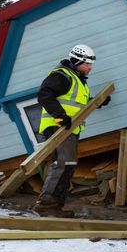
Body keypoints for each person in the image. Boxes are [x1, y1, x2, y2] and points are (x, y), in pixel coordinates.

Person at [33, 44, 110, 217]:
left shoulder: (77, 80)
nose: (89, 68)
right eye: (86, 64)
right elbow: (45, 95)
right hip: (58, 126)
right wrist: (60, 117)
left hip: (69, 128)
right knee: (63, 163)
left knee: (68, 164)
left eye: (90, 64)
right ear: (76, 62)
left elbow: (76, 104)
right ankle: (45, 204)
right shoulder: (61, 76)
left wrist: (97, 103)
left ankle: (54, 206)